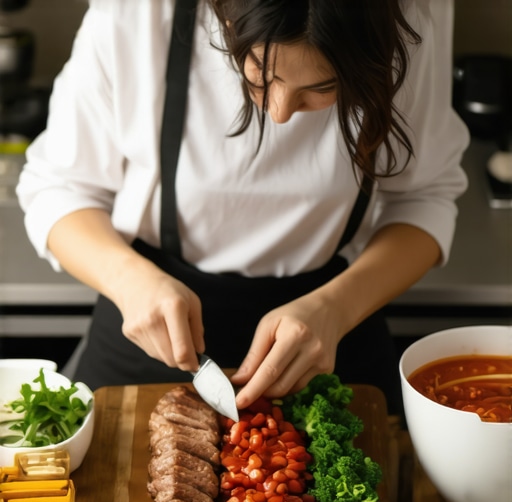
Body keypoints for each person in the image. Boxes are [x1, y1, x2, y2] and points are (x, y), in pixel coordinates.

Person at [16, 0, 469, 415]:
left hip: (336, 322)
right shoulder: (140, 12)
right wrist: (129, 282)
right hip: (146, 318)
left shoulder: (410, 12)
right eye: (260, 75)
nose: (279, 113)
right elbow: (58, 188)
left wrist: (336, 309)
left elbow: (424, 198)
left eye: (323, 86)